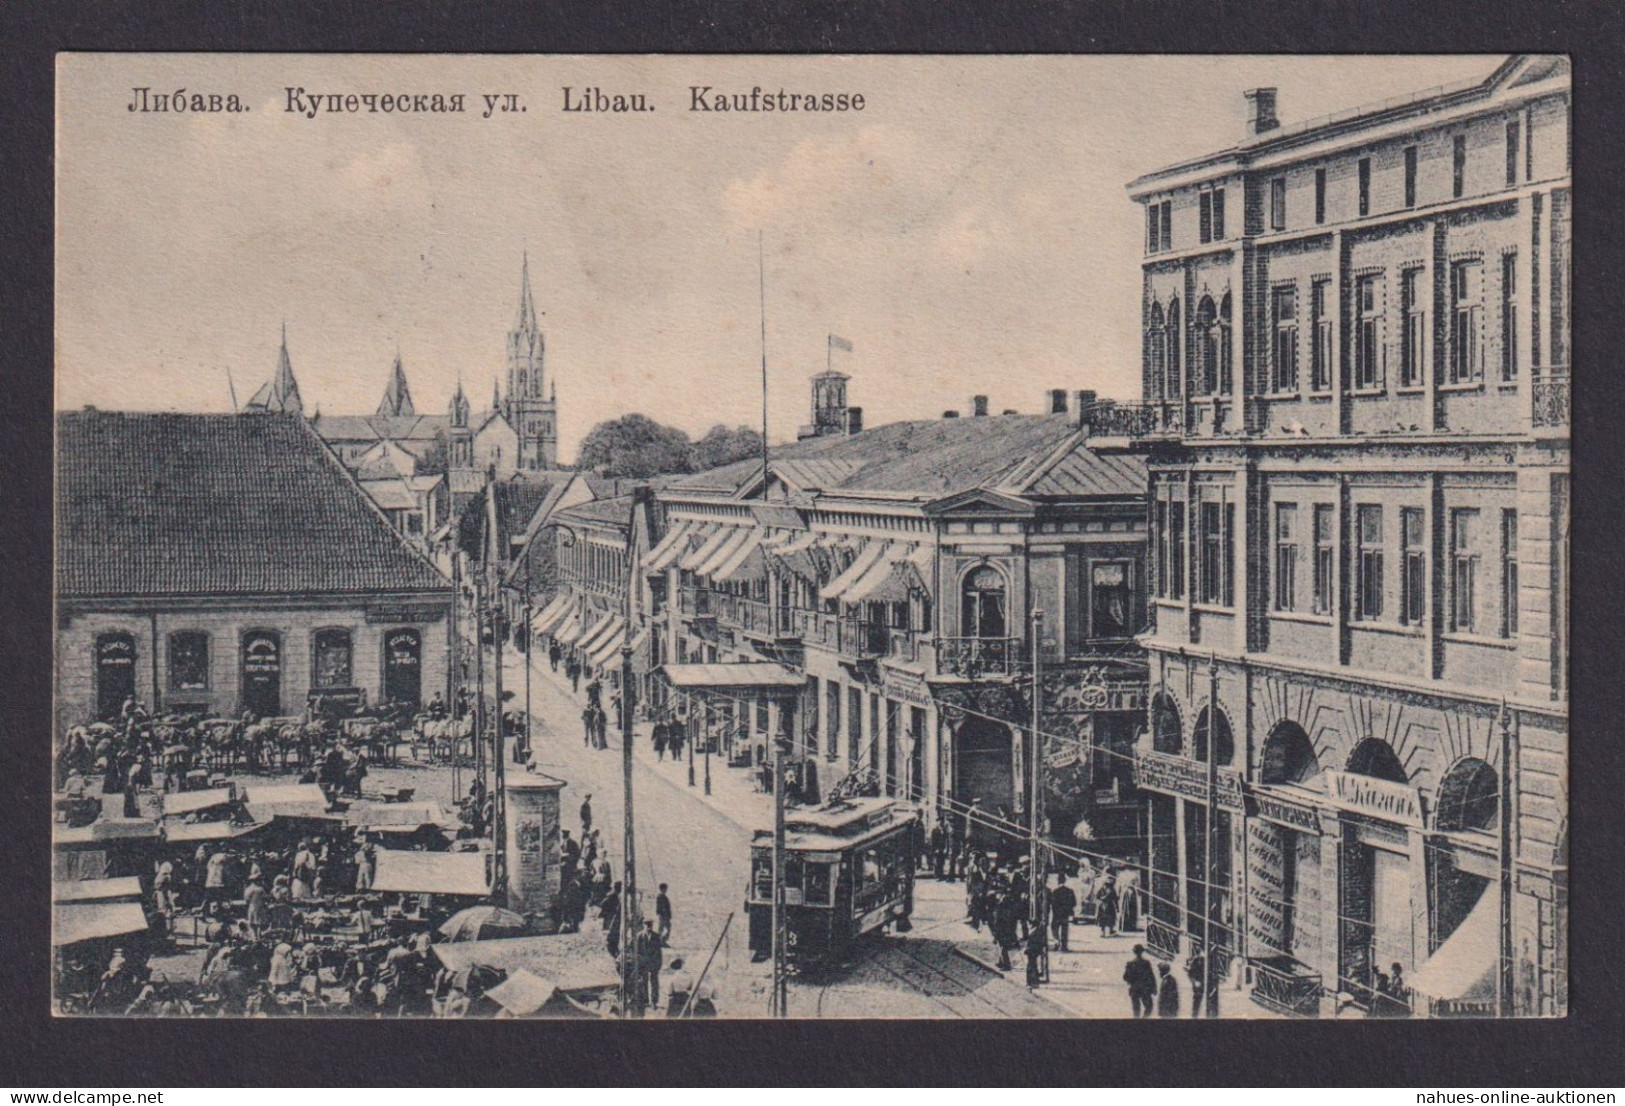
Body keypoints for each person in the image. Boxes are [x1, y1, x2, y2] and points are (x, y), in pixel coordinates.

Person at [635, 919, 664, 1011]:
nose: (648, 927)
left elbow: (659, 951)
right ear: (643, 925)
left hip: (653, 963)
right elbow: (637, 951)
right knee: (644, 982)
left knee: (654, 983)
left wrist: (659, 964)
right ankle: (645, 1000)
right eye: (646, 925)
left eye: (650, 925)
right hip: (643, 964)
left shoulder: (656, 936)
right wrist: (639, 963)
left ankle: (654, 1001)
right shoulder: (639, 936)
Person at [1123, 944, 1157, 1018]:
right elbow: (1151, 976)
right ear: (1142, 952)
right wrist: (1154, 988)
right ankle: (1144, 1019)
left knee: (1136, 1010)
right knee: (1149, 1007)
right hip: (1145, 988)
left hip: (1134, 989)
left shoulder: (1130, 963)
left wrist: (1131, 981)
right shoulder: (1146, 963)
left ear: (1134, 952)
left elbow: (1125, 977)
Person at [1049, 875, 1077, 952]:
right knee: (1064, 930)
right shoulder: (1070, 891)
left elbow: (1052, 903)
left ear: (1058, 881)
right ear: (1065, 881)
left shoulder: (1055, 891)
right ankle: (1064, 947)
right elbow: (1074, 903)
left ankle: (1056, 942)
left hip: (1057, 914)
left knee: (1054, 928)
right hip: (1065, 914)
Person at [1185, 947, 1209, 1019]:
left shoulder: (1205, 960)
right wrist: (1195, 981)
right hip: (1198, 984)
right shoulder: (1196, 960)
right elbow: (1190, 973)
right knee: (1197, 1000)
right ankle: (1195, 1015)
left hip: (1204, 983)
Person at [1023, 922, 1047, 987]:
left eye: (1029, 924)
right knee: (1033, 966)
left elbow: (1031, 944)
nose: (1028, 926)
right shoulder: (1036, 931)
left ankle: (1030, 982)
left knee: (1030, 968)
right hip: (1033, 952)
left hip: (1032, 952)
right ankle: (1033, 981)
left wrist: (1026, 949)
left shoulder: (1033, 933)